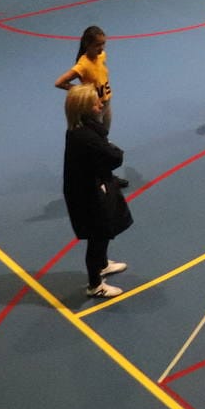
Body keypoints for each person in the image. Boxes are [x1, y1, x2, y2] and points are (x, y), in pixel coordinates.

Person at [62, 86, 131, 299]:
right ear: (84, 109)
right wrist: (113, 149)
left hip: (92, 187)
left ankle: (102, 264)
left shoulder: (83, 130)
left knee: (104, 228)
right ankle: (95, 284)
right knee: (97, 236)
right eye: (95, 103)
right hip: (87, 195)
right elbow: (113, 156)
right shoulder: (85, 136)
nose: (100, 104)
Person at [54, 25, 128, 188]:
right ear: (87, 44)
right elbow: (59, 83)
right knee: (99, 145)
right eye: (98, 45)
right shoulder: (83, 65)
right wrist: (82, 91)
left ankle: (106, 174)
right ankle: (101, 177)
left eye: (103, 44)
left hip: (106, 104)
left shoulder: (101, 56)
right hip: (94, 110)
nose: (101, 48)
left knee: (104, 138)